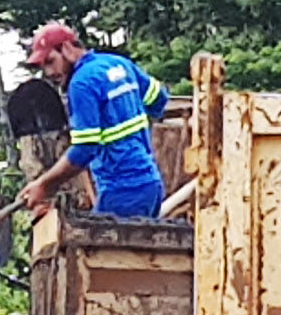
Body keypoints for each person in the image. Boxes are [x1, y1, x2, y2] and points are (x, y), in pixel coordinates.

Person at [13, 22, 170, 219]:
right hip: (150, 186)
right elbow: (159, 100)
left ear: (67, 48)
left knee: (99, 248)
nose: (49, 73)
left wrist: (43, 185)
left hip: (121, 191)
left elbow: (85, 148)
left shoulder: (81, 84)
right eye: (43, 67)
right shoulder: (118, 64)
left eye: (50, 61)